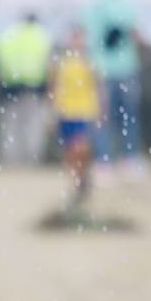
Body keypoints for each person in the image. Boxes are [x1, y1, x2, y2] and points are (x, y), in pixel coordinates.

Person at [84, 0, 144, 170]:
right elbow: (136, 34)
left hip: (101, 68)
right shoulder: (126, 4)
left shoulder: (94, 6)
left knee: (103, 117)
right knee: (128, 116)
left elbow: (87, 36)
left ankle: (104, 160)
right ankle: (130, 158)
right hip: (126, 66)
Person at [0, 13, 53, 165]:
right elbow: (47, 62)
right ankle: (31, 159)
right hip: (34, 87)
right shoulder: (41, 36)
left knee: (11, 126)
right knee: (33, 125)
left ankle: (10, 159)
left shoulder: (8, 35)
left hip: (10, 87)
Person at [52, 27, 102, 207]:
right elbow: (54, 87)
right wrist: (53, 112)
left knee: (80, 148)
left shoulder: (89, 63)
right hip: (66, 112)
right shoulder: (61, 63)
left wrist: (99, 110)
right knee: (70, 152)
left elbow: (97, 87)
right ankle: (77, 182)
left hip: (84, 111)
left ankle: (82, 178)